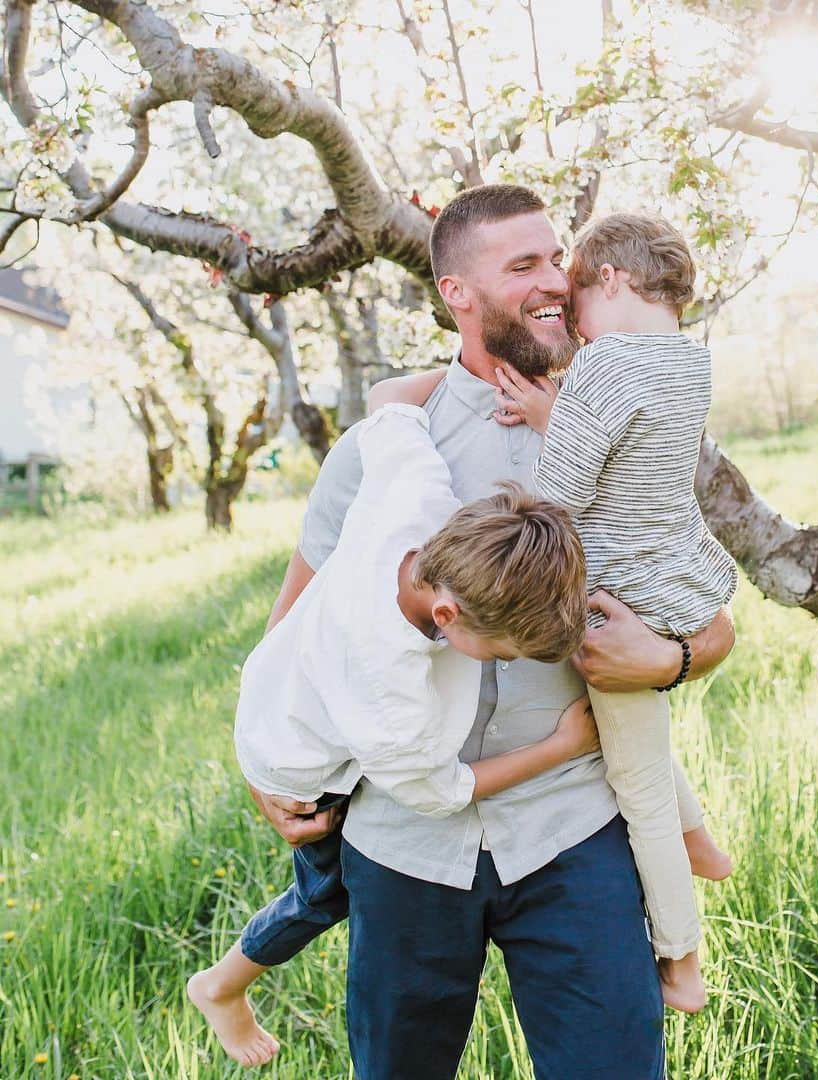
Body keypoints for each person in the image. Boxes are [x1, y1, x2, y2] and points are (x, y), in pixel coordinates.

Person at [249, 184, 736, 1080]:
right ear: (456, 294)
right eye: (525, 267)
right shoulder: (390, 444)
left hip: (574, 829)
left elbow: (709, 624)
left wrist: (668, 662)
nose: (557, 281)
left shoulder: (624, 420)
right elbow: (294, 625)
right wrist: (264, 771)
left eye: (559, 259)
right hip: (403, 843)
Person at [187, 404, 596, 1067]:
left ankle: (223, 981)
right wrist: (560, 747)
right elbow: (441, 791)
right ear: (446, 614)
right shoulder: (388, 687)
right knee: (327, 892)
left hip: (283, 689)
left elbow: (393, 410)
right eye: (502, 653)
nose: (503, 665)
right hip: (295, 760)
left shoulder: (417, 498)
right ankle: (221, 985)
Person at [492, 211, 738, 1011]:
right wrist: (557, 410)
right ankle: (701, 841)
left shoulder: (602, 367)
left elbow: (559, 496)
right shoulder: (688, 364)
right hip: (674, 580)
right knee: (641, 738)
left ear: (613, 281)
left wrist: (511, 511)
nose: (574, 324)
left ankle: (681, 954)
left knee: (635, 782)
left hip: (613, 599)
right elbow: (628, 446)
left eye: (579, 303)